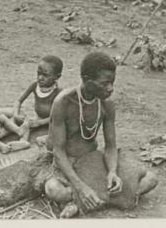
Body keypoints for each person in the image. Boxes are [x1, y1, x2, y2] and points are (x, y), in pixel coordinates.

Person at [43, 52, 158, 217]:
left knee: (151, 179)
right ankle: (93, 198)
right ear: (88, 80)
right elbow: (58, 151)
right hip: (67, 163)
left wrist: (112, 172)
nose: (110, 88)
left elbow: (111, 146)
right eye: (105, 83)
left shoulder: (107, 104)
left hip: (93, 161)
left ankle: (83, 202)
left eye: (112, 82)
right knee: (54, 189)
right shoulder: (63, 102)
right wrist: (81, 187)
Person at [11, 55, 63, 129]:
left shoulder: (59, 93)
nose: (40, 78)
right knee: (12, 119)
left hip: (52, 125)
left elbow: (58, 116)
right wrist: (16, 114)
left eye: (45, 75)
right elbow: (18, 101)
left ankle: (22, 139)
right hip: (37, 120)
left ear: (57, 77)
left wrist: (40, 123)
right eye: (38, 73)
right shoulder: (35, 85)